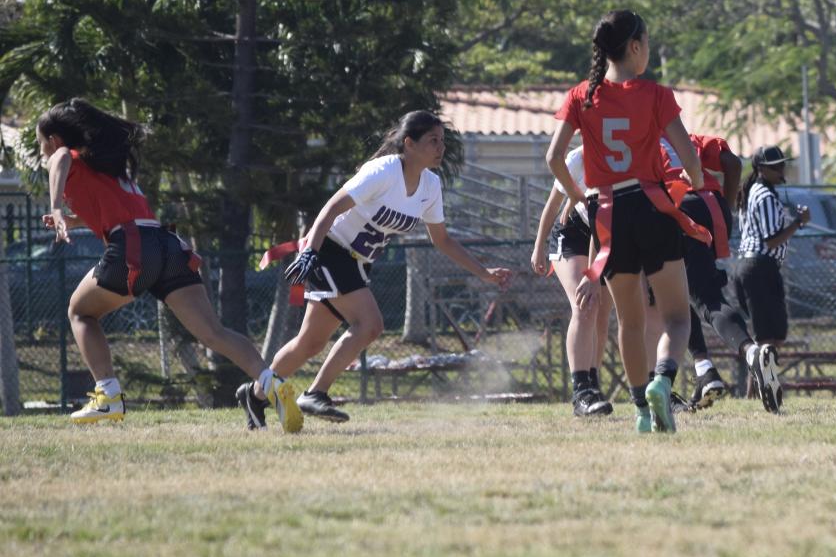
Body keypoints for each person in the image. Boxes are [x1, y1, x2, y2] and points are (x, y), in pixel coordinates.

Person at [35, 98, 300, 430]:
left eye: (40, 143)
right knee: (214, 332)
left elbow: (59, 158)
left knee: (80, 312)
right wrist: (72, 221)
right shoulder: (111, 168)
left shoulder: (67, 157)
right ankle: (271, 383)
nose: (42, 151)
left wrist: (57, 208)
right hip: (168, 244)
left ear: (55, 139)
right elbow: (117, 214)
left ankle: (108, 397)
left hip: (134, 247)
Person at [272, 111, 513, 423]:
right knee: (370, 325)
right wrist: (309, 253)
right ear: (409, 144)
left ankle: (254, 392)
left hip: (357, 263)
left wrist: (484, 272)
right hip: (329, 250)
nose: (441, 148)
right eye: (433, 141)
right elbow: (331, 208)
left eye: (442, 141)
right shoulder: (384, 171)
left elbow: (442, 240)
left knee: (310, 343)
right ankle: (315, 394)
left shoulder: (430, 184)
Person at [546, 9, 713, 434]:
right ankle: (662, 380)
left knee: (630, 322)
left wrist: (582, 195)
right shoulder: (656, 95)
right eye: (649, 43)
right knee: (677, 317)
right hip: (653, 206)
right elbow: (690, 158)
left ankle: (641, 409)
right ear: (635, 47)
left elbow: (552, 159)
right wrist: (693, 183)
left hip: (609, 215)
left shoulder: (581, 95)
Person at [659, 133, 778, 411]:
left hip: (676, 208)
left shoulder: (638, 140)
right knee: (684, 293)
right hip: (710, 205)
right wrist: (725, 203)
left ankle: (748, 354)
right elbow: (732, 162)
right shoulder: (685, 137)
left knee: (699, 298)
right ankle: (705, 372)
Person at [530, 145, 613, 417]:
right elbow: (553, 203)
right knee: (585, 305)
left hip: (607, 235)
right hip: (573, 233)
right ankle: (581, 392)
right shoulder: (579, 156)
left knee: (601, 315)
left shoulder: (637, 150)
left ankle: (592, 384)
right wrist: (539, 245)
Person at [732, 145, 808, 413]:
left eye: (782, 165)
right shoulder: (763, 195)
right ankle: (758, 394)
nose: (781, 170)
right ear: (761, 169)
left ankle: (758, 391)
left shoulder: (760, 192)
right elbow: (772, 239)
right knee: (767, 337)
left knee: (773, 335)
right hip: (759, 266)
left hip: (759, 267)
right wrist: (798, 223)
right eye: (775, 166)